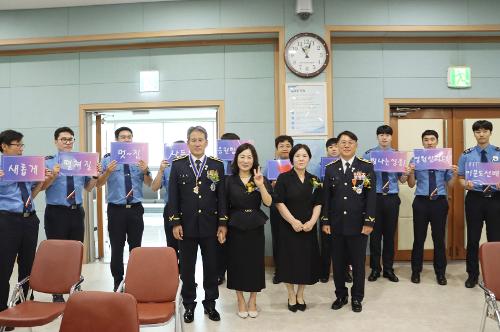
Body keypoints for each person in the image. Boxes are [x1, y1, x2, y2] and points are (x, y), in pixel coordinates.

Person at [168, 126, 228, 323]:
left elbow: (222, 196)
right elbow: (173, 198)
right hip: (187, 226)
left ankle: (210, 304)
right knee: (187, 268)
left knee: (212, 266)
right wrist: (175, 222)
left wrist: (222, 223)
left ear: (206, 142)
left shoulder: (216, 165)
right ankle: (189, 304)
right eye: (193, 140)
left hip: (211, 225)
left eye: (200, 140)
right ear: (188, 143)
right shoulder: (178, 165)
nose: (197, 143)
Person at [42, 127, 100, 302]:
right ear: (56, 141)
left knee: (75, 252)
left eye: (70, 139)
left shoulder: (81, 162)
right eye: (63, 139)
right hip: (56, 213)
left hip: (76, 212)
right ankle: (57, 291)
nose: (67, 142)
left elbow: (88, 188)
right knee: (56, 253)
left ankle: (74, 285)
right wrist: (53, 176)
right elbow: (41, 188)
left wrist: (95, 176)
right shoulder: (48, 162)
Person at [322, 131, 375, 313]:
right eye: (342, 142)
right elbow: (326, 198)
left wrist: (368, 222)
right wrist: (326, 221)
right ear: (337, 145)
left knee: (358, 264)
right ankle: (341, 295)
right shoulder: (331, 168)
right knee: (337, 263)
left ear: (356, 145)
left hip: (358, 225)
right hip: (336, 225)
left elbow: (370, 197)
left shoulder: (365, 167)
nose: (346, 145)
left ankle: (357, 298)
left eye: (350, 142)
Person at [0, 130, 47, 331]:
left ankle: (25, 304)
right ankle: (2, 311)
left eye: (21, 145)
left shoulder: (26, 166)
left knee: (28, 264)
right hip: (7, 220)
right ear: (3, 146)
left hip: (29, 219)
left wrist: (43, 181)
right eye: (16, 145)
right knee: (4, 265)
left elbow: (31, 193)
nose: (20, 148)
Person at [96, 127, 152, 291]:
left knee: (136, 247)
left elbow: (149, 183)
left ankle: (135, 279)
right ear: (116, 140)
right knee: (117, 247)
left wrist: (145, 170)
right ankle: (117, 281)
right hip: (116, 210)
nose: (126, 140)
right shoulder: (108, 159)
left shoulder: (140, 158)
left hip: (135, 209)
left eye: (129, 137)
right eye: (123, 137)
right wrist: (107, 171)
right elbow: (98, 184)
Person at [225, 143, 272, 319]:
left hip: (255, 225)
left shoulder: (260, 177)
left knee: (254, 264)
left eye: (249, 157)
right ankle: (240, 300)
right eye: (242, 156)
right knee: (236, 263)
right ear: (236, 159)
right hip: (235, 225)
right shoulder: (228, 180)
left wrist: (260, 185)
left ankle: (253, 299)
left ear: (254, 160)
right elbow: (224, 205)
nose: (245, 160)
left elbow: (268, 203)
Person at [274, 144, 321, 313]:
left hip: (308, 228)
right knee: (289, 261)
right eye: (297, 156)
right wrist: (293, 221)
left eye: (304, 156)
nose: (301, 159)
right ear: (292, 159)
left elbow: (318, 204)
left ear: (309, 158)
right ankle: (291, 294)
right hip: (288, 227)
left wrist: (312, 222)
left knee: (305, 262)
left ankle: (301, 293)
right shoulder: (283, 178)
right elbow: (279, 203)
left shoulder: (314, 179)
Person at [407, 130, 457, 286]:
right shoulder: (416, 159)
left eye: (432, 139)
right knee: (419, 238)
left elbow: (450, 185)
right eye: (426, 140)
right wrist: (411, 172)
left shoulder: (444, 160)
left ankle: (440, 273)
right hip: (421, 202)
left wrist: (454, 174)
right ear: (422, 142)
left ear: (437, 141)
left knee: (439, 239)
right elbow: (410, 184)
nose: (429, 142)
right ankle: (416, 271)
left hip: (439, 202)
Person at [457, 120, 500, 288]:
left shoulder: (498, 152)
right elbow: (460, 178)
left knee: (495, 239)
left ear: (490, 132)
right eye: (478, 131)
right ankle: (472, 275)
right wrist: (464, 184)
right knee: (473, 238)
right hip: (474, 198)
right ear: (474, 134)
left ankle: (495, 275)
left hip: (496, 199)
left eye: (485, 131)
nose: (481, 134)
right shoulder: (466, 155)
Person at [363, 125, 407, 283]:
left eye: (387, 135)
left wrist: (407, 173)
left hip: (392, 197)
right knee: (374, 236)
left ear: (391, 137)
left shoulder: (397, 155)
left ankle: (388, 268)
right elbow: (363, 180)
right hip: (374, 197)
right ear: (377, 137)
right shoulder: (368, 155)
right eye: (381, 135)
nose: (384, 137)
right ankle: (375, 268)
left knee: (389, 235)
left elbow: (402, 180)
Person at [318, 138, 352, 284]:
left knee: (345, 243)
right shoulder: (320, 166)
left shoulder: (349, 167)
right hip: (326, 208)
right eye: (330, 147)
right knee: (326, 243)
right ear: (327, 150)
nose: (333, 149)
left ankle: (345, 273)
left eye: (335, 147)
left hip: (344, 209)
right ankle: (324, 272)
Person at [151, 140, 185, 263]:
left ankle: (186, 276)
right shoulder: (167, 167)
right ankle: (174, 273)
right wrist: (160, 170)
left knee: (188, 244)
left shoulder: (194, 166)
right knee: (172, 244)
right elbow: (154, 188)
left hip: (190, 208)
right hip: (171, 208)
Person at [217, 132, 240, 285]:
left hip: (237, 208)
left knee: (236, 242)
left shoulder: (242, 162)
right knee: (219, 241)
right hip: (219, 207)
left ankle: (236, 271)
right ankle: (220, 273)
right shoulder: (215, 162)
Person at [269, 135, 293, 284]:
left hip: (294, 208)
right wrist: (271, 186)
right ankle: (279, 270)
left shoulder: (299, 163)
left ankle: (292, 269)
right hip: (276, 208)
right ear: (277, 149)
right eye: (281, 145)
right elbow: (263, 187)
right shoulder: (271, 166)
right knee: (278, 239)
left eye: (288, 145)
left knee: (293, 240)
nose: (285, 148)